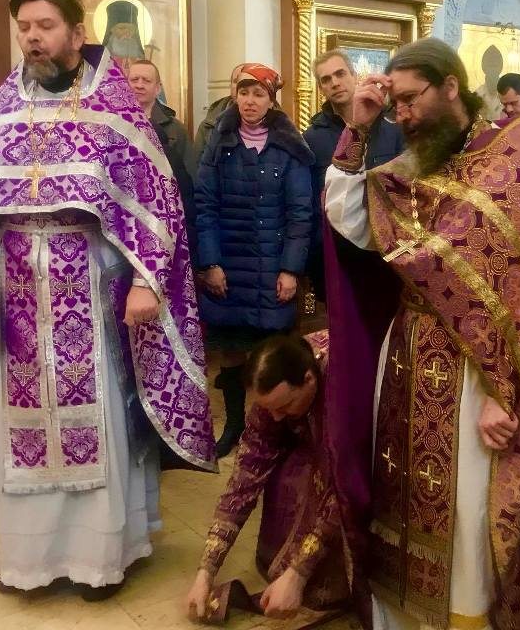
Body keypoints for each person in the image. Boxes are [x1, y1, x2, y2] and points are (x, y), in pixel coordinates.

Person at [323, 38, 520, 629]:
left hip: (474, 374)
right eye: (395, 104)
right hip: (408, 354)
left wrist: (501, 392)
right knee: (400, 493)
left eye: (410, 100)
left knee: (466, 510)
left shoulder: (512, 165)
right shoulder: (417, 165)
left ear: (451, 86)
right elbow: (352, 219)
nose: (402, 115)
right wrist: (356, 128)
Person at [0, 0, 215, 599]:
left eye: (44, 25)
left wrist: (146, 279)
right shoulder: (5, 105)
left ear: (75, 31)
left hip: (90, 286)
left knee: (102, 420)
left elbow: (156, 199)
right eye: (24, 27)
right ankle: (29, 561)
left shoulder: (111, 105)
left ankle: (100, 559)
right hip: (17, 290)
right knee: (24, 426)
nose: (32, 37)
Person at [194, 63, 314, 457]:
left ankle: (271, 432)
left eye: (258, 94)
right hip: (228, 268)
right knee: (230, 353)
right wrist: (210, 263)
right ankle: (233, 426)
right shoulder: (219, 142)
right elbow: (205, 205)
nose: (250, 101)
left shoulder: (289, 147)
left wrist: (290, 269)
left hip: (271, 268)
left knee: (270, 355)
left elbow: (300, 213)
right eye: (244, 92)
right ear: (235, 96)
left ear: (271, 100)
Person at [186, 332, 348, 622]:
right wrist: (206, 571)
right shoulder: (274, 399)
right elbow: (246, 476)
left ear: (309, 379)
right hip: (313, 445)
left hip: (350, 459)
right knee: (284, 475)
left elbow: (346, 488)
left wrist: (299, 573)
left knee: (318, 483)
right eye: (269, 409)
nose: (276, 417)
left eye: (284, 407)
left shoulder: (344, 394)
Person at [303, 50, 403, 300]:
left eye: (340, 74)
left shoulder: (393, 127)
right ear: (321, 88)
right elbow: (310, 202)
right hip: (340, 254)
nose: (335, 83)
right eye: (326, 79)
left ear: (354, 75)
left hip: (388, 251)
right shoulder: (313, 137)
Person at [127, 59, 198, 267]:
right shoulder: (111, 125)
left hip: (166, 222)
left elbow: (189, 181)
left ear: (157, 88)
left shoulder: (175, 130)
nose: (139, 85)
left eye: (146, 80)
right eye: (134, 79)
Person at [193, 63, 242, 164]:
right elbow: (196, 164)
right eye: (236, 81)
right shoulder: (208, 124)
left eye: (245, 82)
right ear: (230, 86)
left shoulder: (275, 125)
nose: (240, 86)